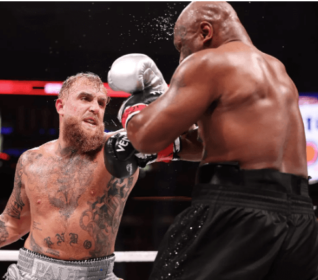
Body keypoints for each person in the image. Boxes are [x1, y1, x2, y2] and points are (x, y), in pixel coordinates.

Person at [108, 1, 318, 280]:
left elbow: (145, 137)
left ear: (205, 31)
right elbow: (228, 145)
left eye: (181, 46)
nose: (181, 58)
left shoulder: (208, 62)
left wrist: (135, 109)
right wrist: (176, 148)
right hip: (300, 219)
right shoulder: (277, 70)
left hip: (236, 210)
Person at [0, 72, 145, 280]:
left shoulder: (119, 149)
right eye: (85, 98)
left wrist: (154, 91)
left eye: (101, 102)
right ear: (61, 106)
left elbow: (158, 131)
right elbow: (12, 223)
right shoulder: (32, 160)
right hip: (32, 272)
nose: (95, 107)